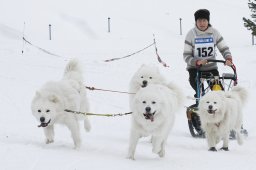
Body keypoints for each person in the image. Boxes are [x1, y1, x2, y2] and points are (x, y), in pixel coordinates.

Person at [183, 9, 233, 104]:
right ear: (196, 22)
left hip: (211, 67)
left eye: (204, 20)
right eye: (199, 21)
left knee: (218, 93)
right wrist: (197, 62)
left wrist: (228, 58)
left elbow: (224, 48)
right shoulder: (191, 34)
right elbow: (186, 56)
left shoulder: (214, 33)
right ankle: (200, 104)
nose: (202, 23)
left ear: (208, 21)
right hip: (195, 68)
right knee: (199, 91)